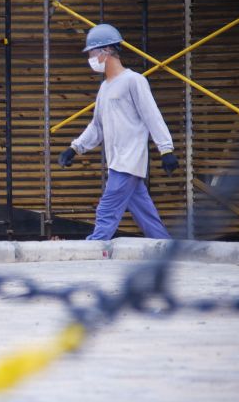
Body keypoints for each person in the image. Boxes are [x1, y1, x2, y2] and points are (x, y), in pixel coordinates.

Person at [58, 23, 178, 241]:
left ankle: (95, 248)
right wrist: (74, 148)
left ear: (106, 51)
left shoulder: (134, 81)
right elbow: (97, 126)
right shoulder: (105, 87)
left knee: (107, 210)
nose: (91, 58)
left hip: (128, 160)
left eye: (93, 53)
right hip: (117, 161)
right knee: (146, 215)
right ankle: (166, 247)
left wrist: (166, 149)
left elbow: (152, 116)